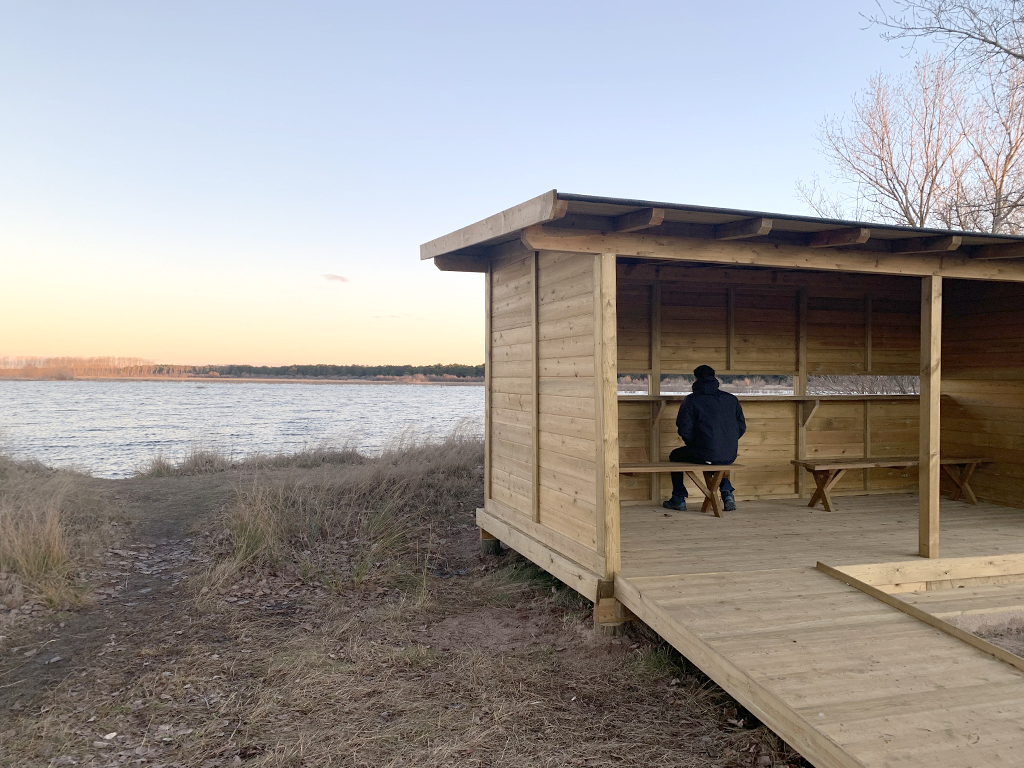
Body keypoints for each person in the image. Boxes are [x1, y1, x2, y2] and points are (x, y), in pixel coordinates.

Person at [663, 365, 746, 512]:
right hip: (730, 453)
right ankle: (727, 493)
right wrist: (728, 440)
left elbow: (684, 428)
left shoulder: (692, 400)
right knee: (716, 457)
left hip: (706, 452)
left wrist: (696, 444)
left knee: (675, 455)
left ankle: (678, 498)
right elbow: (741, 426)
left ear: (696, 379)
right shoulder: (731, 399)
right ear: (714, 377)